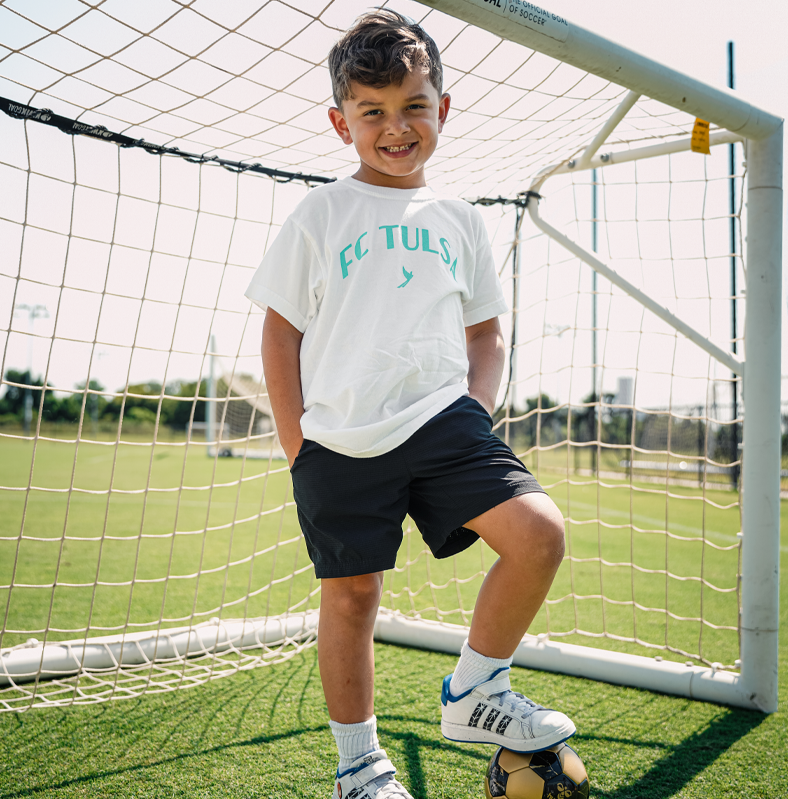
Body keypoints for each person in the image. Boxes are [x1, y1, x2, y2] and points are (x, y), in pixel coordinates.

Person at [245, 10, 574, 799]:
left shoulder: (459, 219)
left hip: (444, 423)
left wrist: (475, 408)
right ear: (341, 122)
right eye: (373, 112)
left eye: (413, 107)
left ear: (442, 109)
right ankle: (359, 767)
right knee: (353, 594)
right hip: (338, 438)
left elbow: (486, 332)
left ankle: (475, 692)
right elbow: (278, 337)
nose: (396, 128)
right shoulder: (319, 214)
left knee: (538, 534)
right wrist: (297, 446)